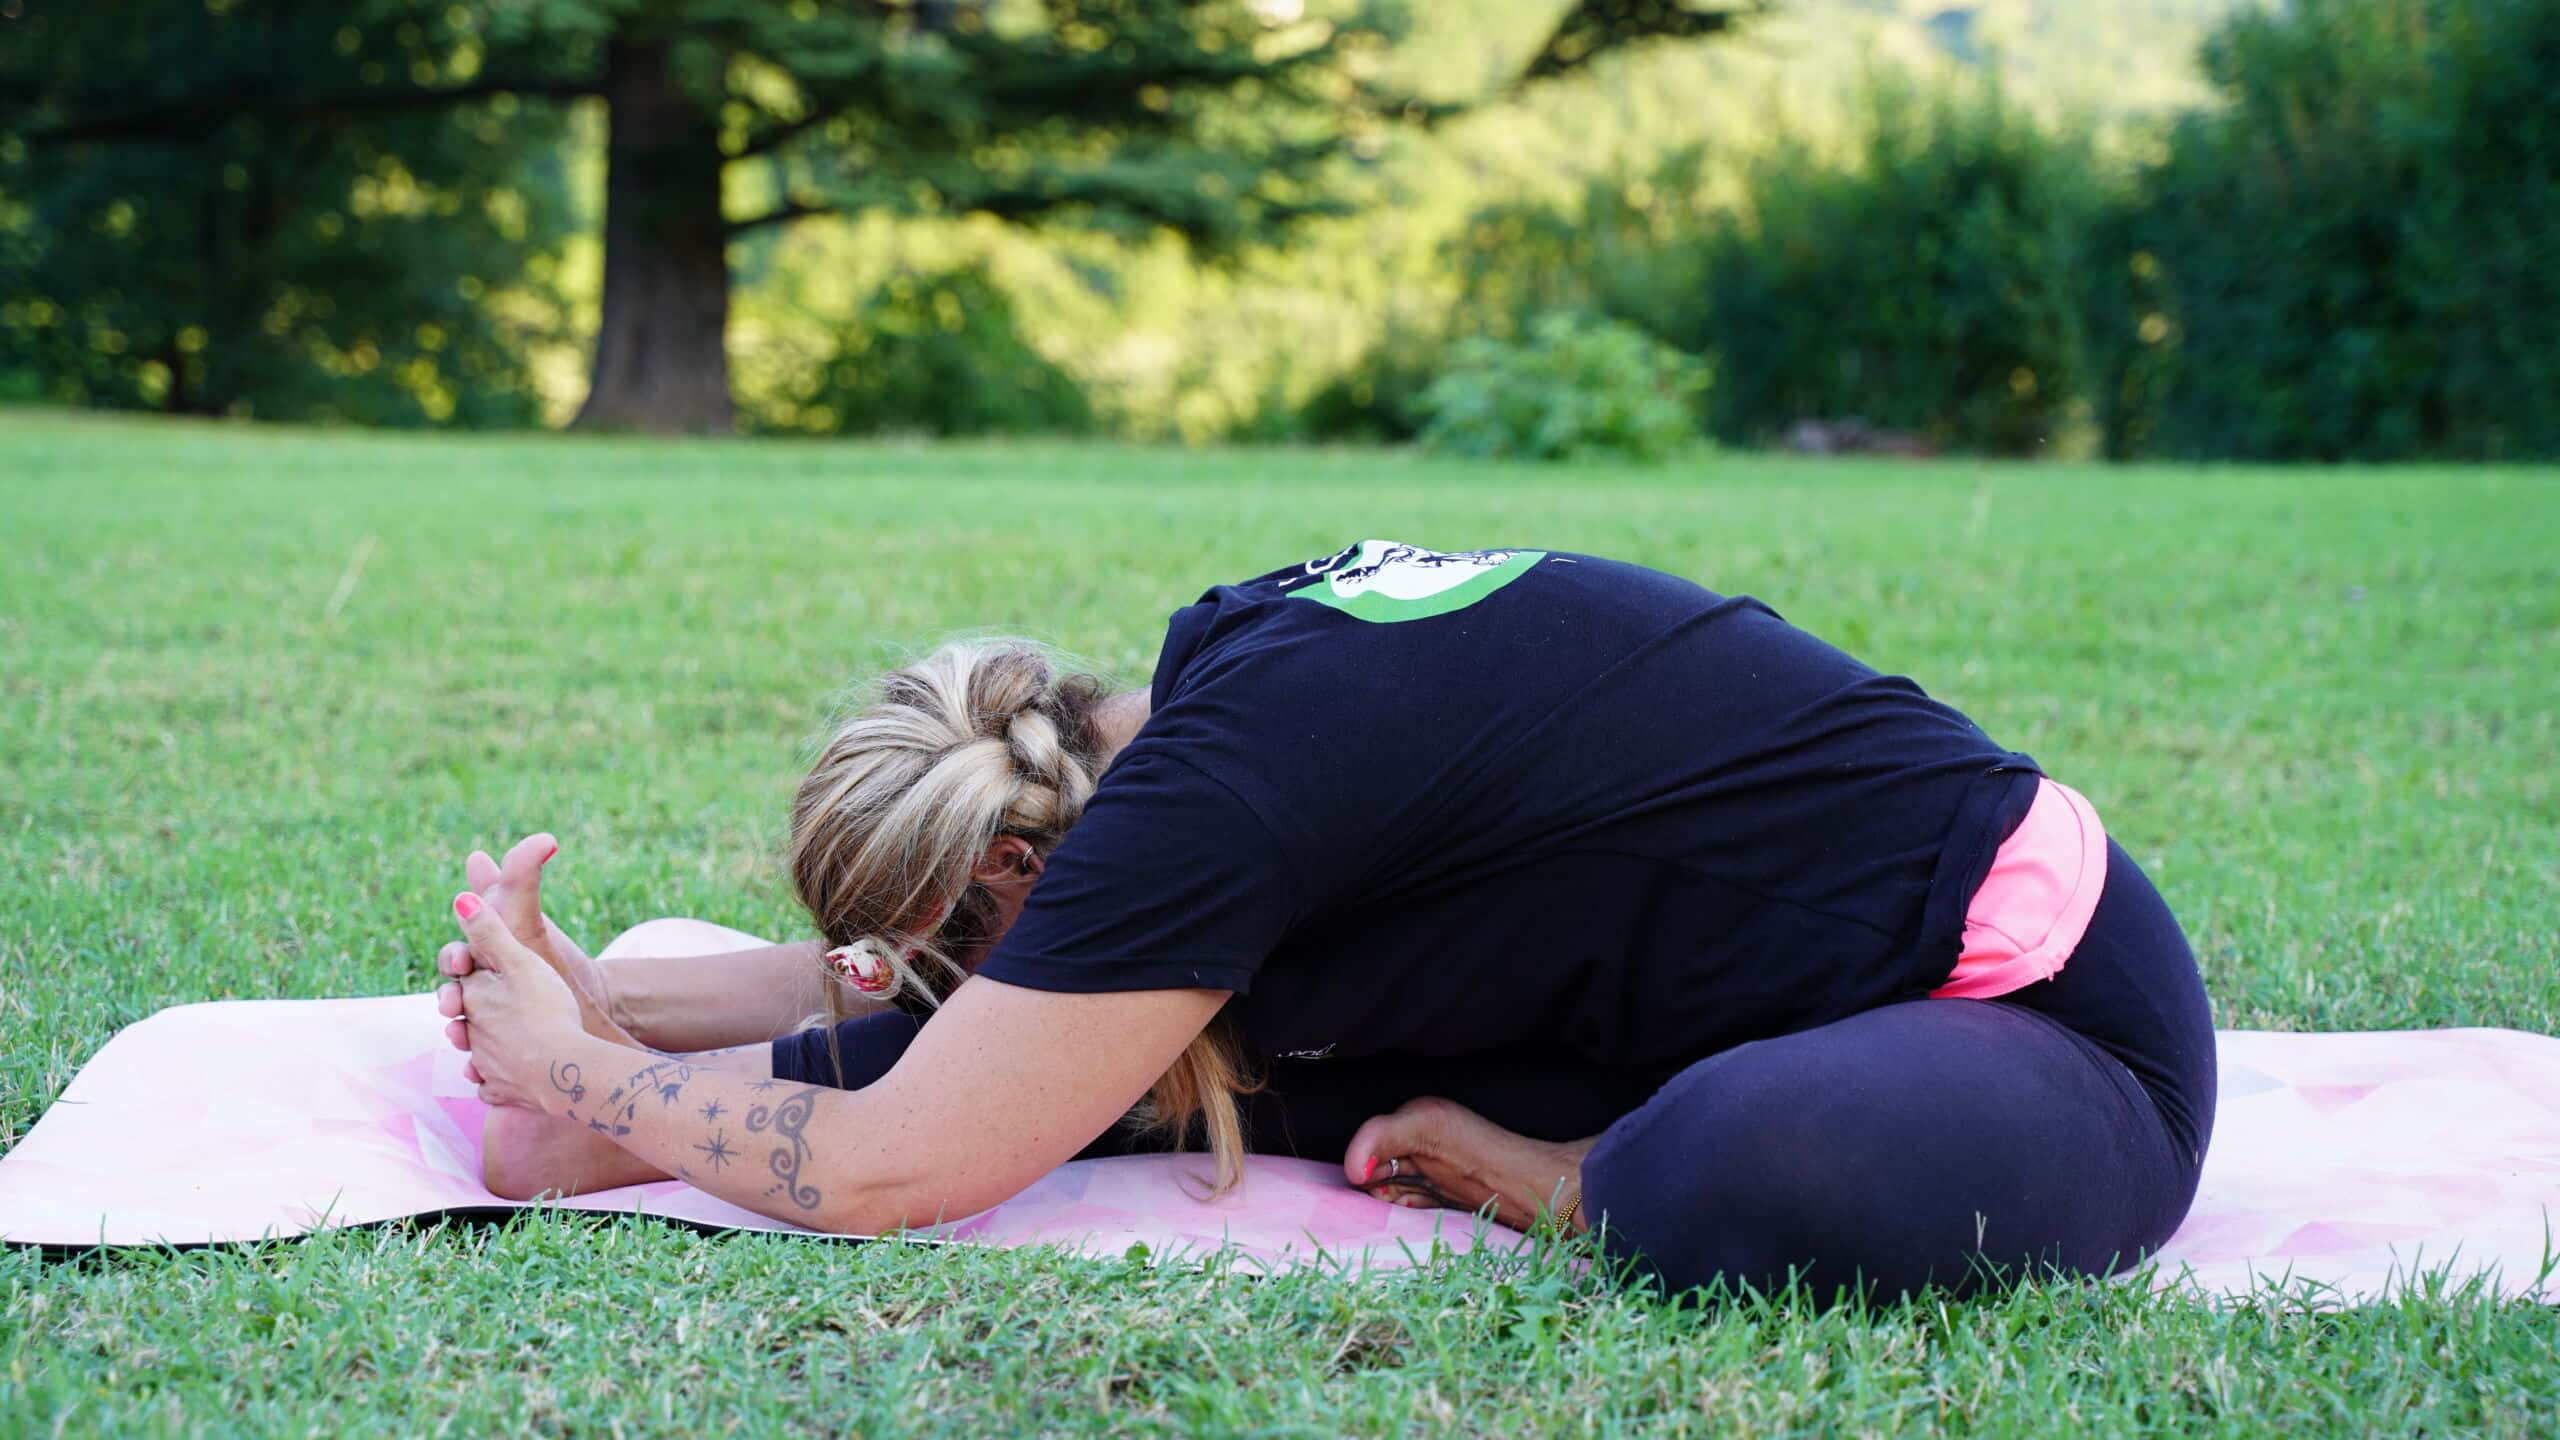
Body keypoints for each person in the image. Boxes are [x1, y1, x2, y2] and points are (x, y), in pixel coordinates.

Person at [436, 540, 2217, 1300]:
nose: (963, 990)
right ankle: (632, 1080)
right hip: (1659, 983)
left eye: (951, 958)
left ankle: (1570, 1170)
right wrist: (616, 1014)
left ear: (1008, 873)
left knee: (1733, 1172)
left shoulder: (1212, 809)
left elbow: (909, 1163)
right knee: (1198, 1047)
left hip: (2038, 1010)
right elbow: (1012, 1016)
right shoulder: (1196, 706)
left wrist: (591, 1090)